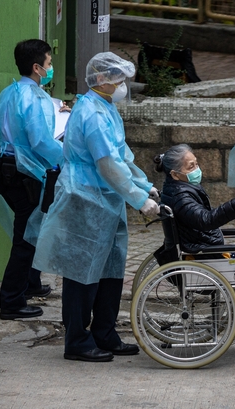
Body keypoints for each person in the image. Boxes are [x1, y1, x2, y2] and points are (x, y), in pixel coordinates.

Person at [33, 52, 160, 363]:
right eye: (118, 80)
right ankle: (76, 339)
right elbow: (107, 165)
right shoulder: (92, 113)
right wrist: (139, 199)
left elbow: (122, 156)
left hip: (107, 199)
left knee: (111, 269)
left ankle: (105, 332)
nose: (122, 86)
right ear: (101, 80)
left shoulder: (106, 107)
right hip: (86, 196)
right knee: (83, 271)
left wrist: (144, 185)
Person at [0, 39, 67, 320]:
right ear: (37, 67)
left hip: (7, 166)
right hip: (24, 172)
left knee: (33, 229)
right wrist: (70, 154)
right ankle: (11, 301)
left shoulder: (11, 92)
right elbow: (41, 141)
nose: (51, 67)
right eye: (49, 63)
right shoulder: (33, 98)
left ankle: (31, 283)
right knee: (25, 236)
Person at [155, 144, 235, 278]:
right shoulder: (180, 197)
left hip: (203, 247)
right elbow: (206, 220)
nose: (197, 170)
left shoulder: (176, 190)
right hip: (204, 255)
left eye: (197, 164)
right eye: (191, 167)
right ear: (175, 174)